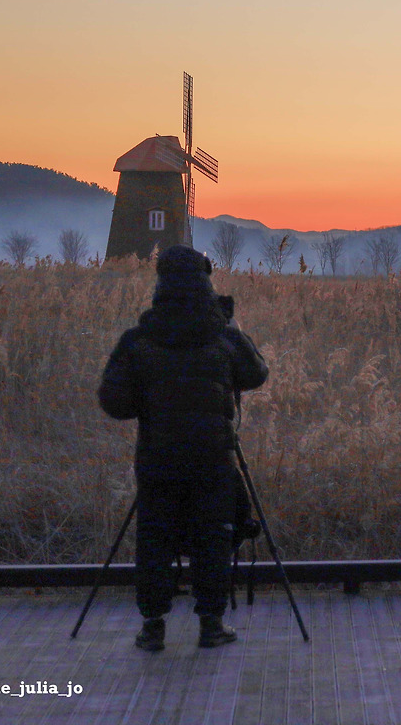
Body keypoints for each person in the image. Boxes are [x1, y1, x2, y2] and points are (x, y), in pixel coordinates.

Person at [98, 245, 268, 651]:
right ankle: (211, 624)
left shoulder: (138, 340)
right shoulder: (223, 336)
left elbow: (113, 402)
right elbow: (256, 373)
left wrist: (150, 401)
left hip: (158, 458)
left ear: (161, 285)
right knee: (213, 539)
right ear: (205, 284)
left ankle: (152, 626)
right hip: (213, 459)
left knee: (154, 540)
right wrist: (235, 328)